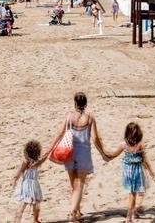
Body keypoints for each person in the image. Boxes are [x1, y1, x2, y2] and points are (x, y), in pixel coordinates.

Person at [49, 92, 108, 222]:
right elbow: (95, 137)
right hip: (84, 154)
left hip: (69, 153)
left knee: (73, 185)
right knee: (80, 185)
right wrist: (102, 152)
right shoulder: (90, 118)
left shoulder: (69, 117)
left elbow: (60, 133)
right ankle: (72, 214)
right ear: (86, 104)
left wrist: (50, 149)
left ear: (75, 103)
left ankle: (77, 212)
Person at [105, 122, 155, 223]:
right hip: (137, 172)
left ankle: (133, 212)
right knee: (133, 194)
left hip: (127, 172)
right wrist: (151, 171)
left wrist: (104, 153)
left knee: (132, 193)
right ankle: (129, 216)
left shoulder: (123, 145)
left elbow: (113, 155)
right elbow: (145, 160)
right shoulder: (140, 145)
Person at [12, 139, 48, 223]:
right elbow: (45, 156)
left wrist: (15, 180)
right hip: (35, 184)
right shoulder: (37, 162)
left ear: (26, 152)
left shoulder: (26, 162)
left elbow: (19, 172)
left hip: (26, 185)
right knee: (36, 202)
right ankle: (36, 219)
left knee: (23, 203)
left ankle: (18, 220)